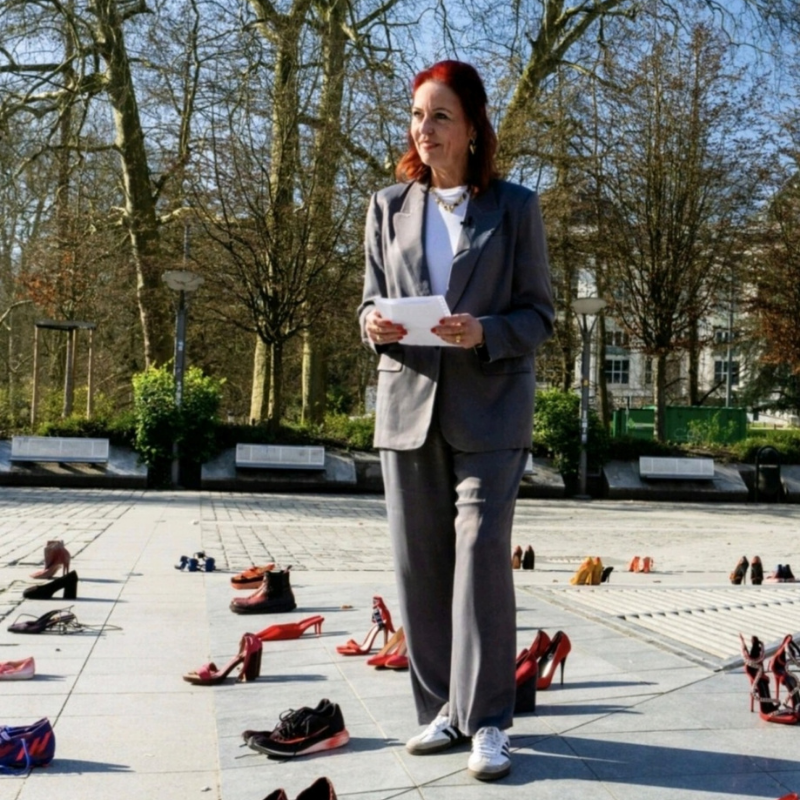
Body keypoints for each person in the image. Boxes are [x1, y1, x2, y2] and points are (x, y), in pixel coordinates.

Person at [358, 60, 554, 781]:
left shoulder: (517, 208)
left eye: (440, 116)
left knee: (478, 556)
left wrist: (486, 332)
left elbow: (540, 314)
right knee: (421, 567)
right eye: (417, 115)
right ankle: (442, 709)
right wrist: (371, 323)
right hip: (407, 406)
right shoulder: (387, 205)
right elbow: (370, 299)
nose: (424, 129)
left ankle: (490, 722)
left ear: (472, 128)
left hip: (492, 408)